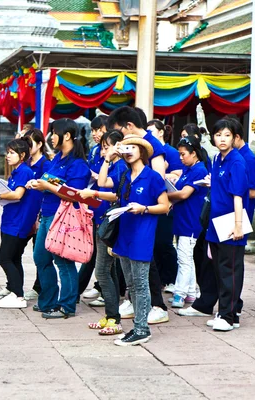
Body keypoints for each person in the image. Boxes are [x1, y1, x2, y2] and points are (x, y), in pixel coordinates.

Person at [107, 106, 170, 324]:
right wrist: (108, 159)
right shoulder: (124, 173)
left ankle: (147, 319)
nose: (128, 148)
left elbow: (163, 201)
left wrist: (144, 208)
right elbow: (104, 185)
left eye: (132, 145)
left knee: (143, 278)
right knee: (132, 280)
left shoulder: (152, 170)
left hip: (144, 227)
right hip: (126, 229)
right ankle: (137, 316)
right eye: (126, 146)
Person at [27, 118, 91, 319]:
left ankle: (67, 305)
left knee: (63, 261)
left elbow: (75, 194)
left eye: (54, 132)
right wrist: (38, 182)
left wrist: (47, 186)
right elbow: (50, 180)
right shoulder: (56, 159)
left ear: (68, 135)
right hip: (47, 214)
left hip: (63, 217)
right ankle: (48, 301)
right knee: (41, 258)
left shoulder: (78, 164)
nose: (51, 137)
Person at [80, 129, 128, 335]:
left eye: (107, 147)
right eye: (103, 147)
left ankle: (113, 318)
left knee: (102, 271)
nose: (103, 151)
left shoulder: (120, 167)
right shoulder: (115, 166)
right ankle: (111, 315)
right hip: (102, 221)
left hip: (110, 224)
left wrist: (108, 159)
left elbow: (105, 188)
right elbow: (101, 182)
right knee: (108, 271)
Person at [204, 118, 249, 332]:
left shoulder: (237, 161)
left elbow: (238, 195)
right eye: (219, 135)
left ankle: (230, 316)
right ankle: (223, 312)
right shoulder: (217, 159)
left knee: (230, 269)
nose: (222, 139)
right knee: (219, 270)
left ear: (235, 138)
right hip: (215, 222)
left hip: (231, 222)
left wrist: (238, 225)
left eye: (227, 135)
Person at [0, 138, 34, 309]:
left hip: (17, 222)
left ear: (22, 155)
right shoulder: (16, 172)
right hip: (10, 220)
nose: (8, 156)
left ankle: (18, 296)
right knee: (14, 258)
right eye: (8, 152)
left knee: (5, 258)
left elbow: (17, 195)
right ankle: (16, 292)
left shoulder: (24, 172)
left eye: (12, 153)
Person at [166, 136, 208, 308]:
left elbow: (184, 194)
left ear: (194, 153)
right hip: (183, 219)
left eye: (183, 154)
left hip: (191, 221)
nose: (181, 158)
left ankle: (180, 293)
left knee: (184, 257)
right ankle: (191, 292)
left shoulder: (199, 170)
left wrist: (165, 195)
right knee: (186, 257)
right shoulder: (188, 169)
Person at [147, 119, 182, 294]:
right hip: (151, 202)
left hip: (168, 201)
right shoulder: (147, 150)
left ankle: (170, 278)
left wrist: (164, 172)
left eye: (152, 131)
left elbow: (181, 172)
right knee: (154, 244)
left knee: (164, 243)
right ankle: (159, 279)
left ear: (161, 132)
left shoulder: (171, 152)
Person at [79, 115, 109, 302]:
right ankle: (99, 286)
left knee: (104, 251)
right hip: (93, 202)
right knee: (95, 250)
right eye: (94, 130)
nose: (96, 134)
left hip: (105, 202)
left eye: (99, 130)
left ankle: (105, 290)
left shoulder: (113, 153)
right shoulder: (94, 151)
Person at [22, 128, 52, 301]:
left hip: (40, 214)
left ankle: (39, 287)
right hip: (26, 213)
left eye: (29, 142)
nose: (26, 146)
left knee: (39, 252)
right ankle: (13, 285)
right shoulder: (25, 164)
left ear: (40, 144)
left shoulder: (46, 165)